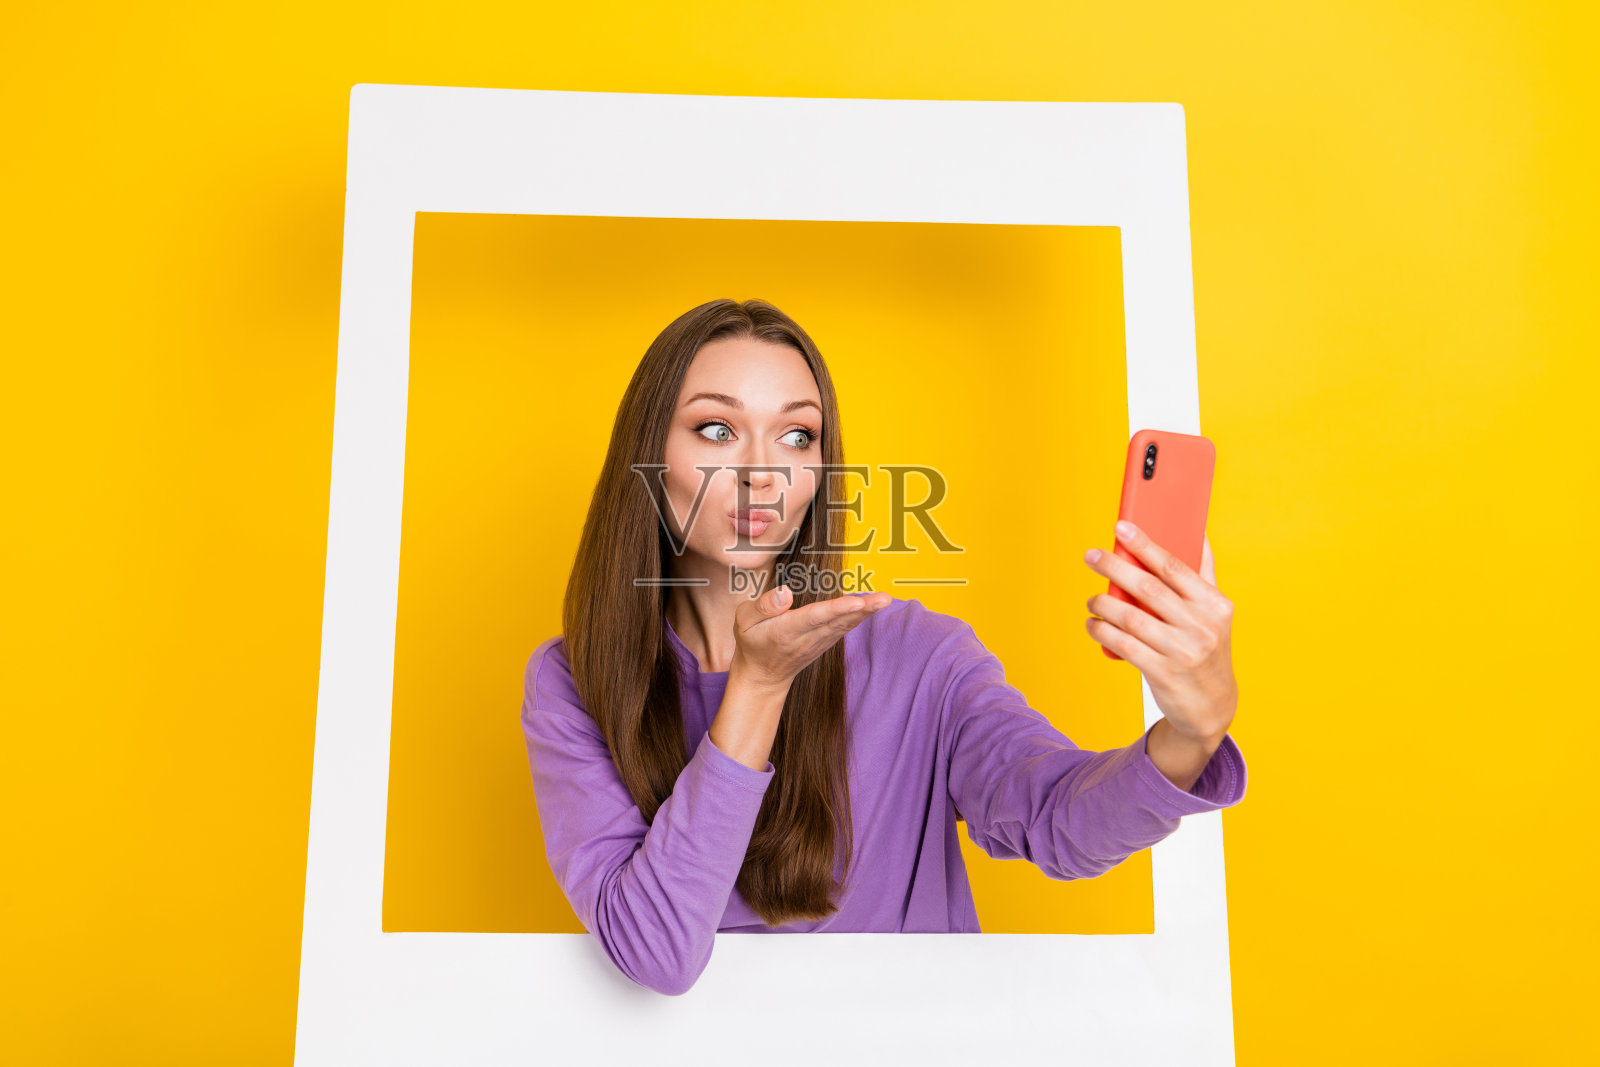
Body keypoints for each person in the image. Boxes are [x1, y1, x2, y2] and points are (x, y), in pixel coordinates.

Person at [519, 298, 1247, 997]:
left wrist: (1191, 733)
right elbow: (655, 950)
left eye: (798, 435)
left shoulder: (917, 656)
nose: (762, 469)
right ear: (648, 456)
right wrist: (759, 687)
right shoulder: (573, 683)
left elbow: (1059, 820)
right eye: (716, 429)